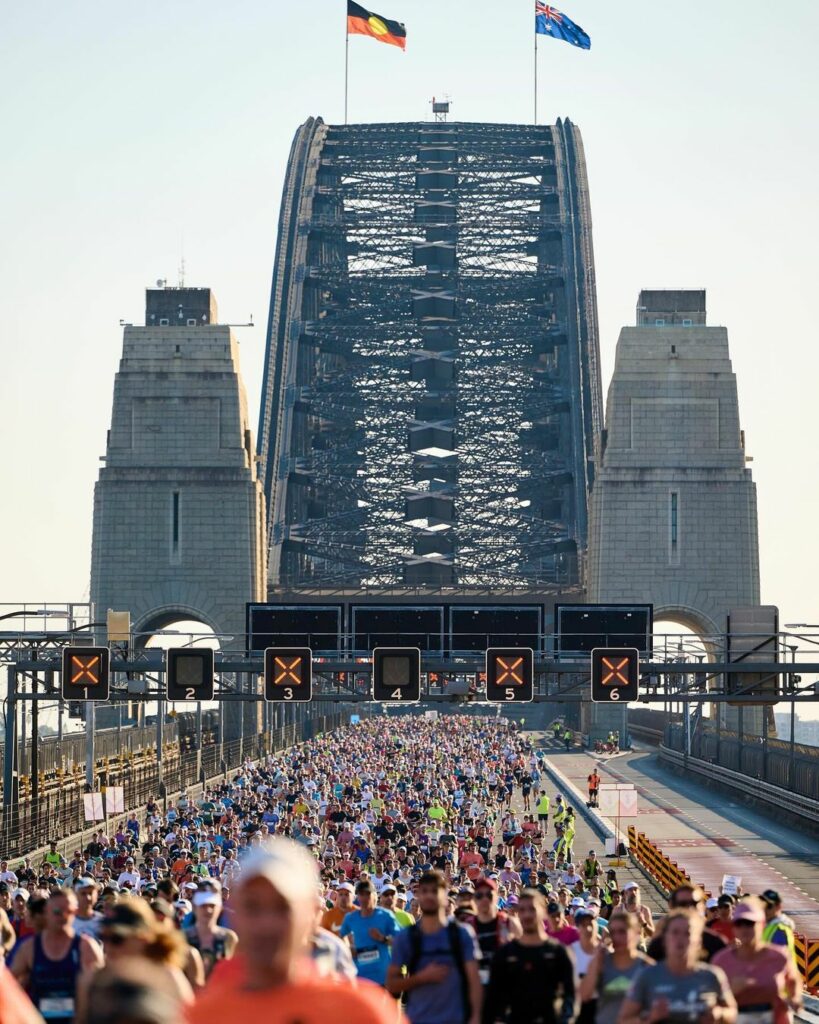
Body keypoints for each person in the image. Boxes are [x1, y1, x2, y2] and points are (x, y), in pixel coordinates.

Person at [187, 839, 397, 1024]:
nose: (267, 923)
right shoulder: (201, 1016)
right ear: (234, 914)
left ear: (311, 913)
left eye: (282, 907)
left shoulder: (359, 1014)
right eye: (253, 906)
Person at [387, 869, 482, 1024]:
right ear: (418, 896)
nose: (429, 895)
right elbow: (391, 985)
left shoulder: (462, 934)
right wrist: (421, 978)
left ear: (445, 896)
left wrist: (476, 1017)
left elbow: (474, 981)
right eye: (424, 891)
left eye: (435, 890)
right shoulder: (406, 938)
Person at [618, 910, 737, 1024]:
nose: (680, 938)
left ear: (698, 941)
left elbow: (732, 1012)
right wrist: (650, 1019)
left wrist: (719, 1014)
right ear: (664, 939)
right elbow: (623, 1020)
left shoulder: (712, 976)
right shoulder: (647, 975)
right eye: (675, 932)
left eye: (687, 933)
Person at [11, 888, 103, 1023]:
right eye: (57, 912)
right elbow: (8, 984)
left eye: (69, 912)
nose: (64, 917)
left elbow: (103, 993)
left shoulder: (87, 947)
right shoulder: (29, 948)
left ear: (76, 912)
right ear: (47, 913)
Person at [485, 888, 575, 1024]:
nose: (527, 915)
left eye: (532, 909)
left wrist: (566, 1019)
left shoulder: (558, 952)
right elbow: (494, 999)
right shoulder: (505, 954)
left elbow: (570, 996)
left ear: (543, 912)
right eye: (522, 910)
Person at [711, 898, 802, 1024]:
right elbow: (710, 1000)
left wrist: (795, 998)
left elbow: (793, 979)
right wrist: (729, 991)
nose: (744, 928)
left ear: (762, 924)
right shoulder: (721, 961)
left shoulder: (779, 956)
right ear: (734, 928)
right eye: (739, 924)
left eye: (749, 923)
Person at [580, 911, 653, 1024]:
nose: (617, 937)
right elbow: (584, 995)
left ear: (636, 932)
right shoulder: (600, 962)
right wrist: (596, 963)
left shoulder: (647, 966)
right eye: (613, 932)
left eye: (622, 932)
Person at [339, 879, 397, 986]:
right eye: (361, 894)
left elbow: (402, 941)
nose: (365, 898)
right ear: (358, 897)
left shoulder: (385, 916)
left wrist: (383, 939)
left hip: (383, 977)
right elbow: (339, 938)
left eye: (368, 894)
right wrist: (348, 948)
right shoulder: (351, 918)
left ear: (375, 896)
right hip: (360, 977)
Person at [647, 886, 727, 964]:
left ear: (702, 907)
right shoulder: (659, 946)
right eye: (683, 904)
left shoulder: (716, 943)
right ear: (672, 907)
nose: (689, 908)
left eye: (694, 903)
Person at [183, 888, 238, 980]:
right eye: (203, 905)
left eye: (212, 906)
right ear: (195, 907)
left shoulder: (230, 938)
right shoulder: (181, 937)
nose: (208, 910)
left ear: (220, 908)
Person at [759, 891, 795, 960]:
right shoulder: (769, 926)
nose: (765, 909)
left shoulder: (780, 930)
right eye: (763, 906)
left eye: (769, 906)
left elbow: (779, 961)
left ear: (778, 907)